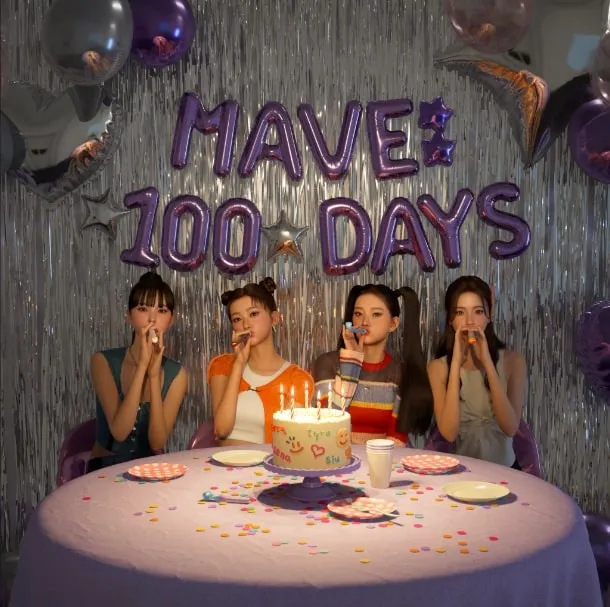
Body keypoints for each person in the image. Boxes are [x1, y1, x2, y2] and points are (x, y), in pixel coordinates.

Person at [87, 272, 187, 472]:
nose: (152, 318)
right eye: (142, 309)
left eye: (161, 310)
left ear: (171, 320)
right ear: (129, 316)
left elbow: (157, 443)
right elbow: (119, 432)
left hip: (149, 470)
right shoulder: (103, 361)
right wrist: (142, 366)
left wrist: (154, 375)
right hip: (105, 469)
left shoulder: (177, 374)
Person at [312, 284, 433, 446]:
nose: (365, 322)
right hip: (334, 456)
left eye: (376, 314)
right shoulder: (327, 363)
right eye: (358, 314)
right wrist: (351, 363)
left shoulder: (401, 373)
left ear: (393, 323)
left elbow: (397, 439)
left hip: (385, 458)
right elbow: (325, 426)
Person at [427, 276, 527, 467]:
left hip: (506, 471)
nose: (469, 322)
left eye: (478, 311)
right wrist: (456, 363)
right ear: (450, 319)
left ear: (489, 315)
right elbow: (448, 433)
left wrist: (487, 362)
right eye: (460, 312)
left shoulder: (513, 362)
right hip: (462, 472)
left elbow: (510, 428)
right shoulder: (437, 368)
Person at [208, 277, 313, 445]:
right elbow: (221, 430)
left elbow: (287, 443)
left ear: (274, 318)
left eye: (253, 314)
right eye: (237, 319)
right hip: (222, 459)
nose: (246, 324)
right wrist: (239, 364)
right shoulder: (222, 365)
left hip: (268, 461)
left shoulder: (297, 379)